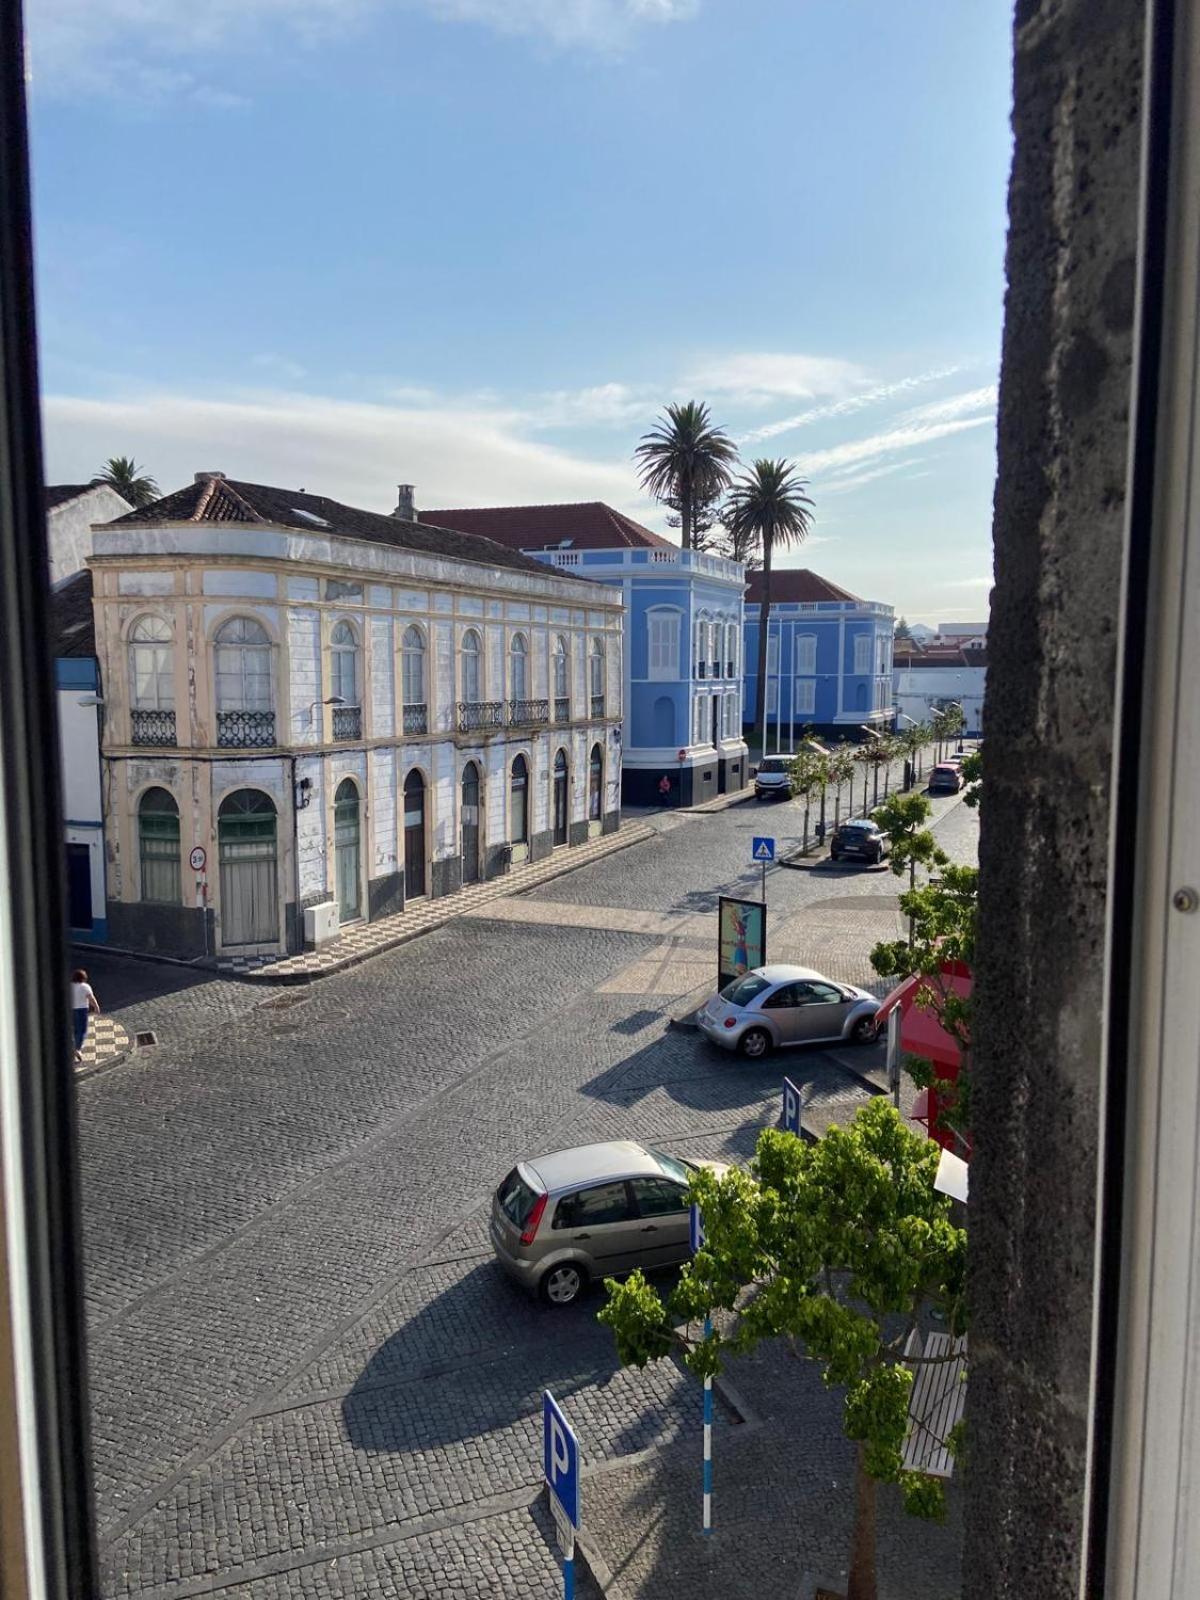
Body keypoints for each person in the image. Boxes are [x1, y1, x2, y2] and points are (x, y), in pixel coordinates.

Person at [71, 968, 100, 1064]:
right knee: (82, 1030)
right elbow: (91, 998)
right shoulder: (85, 986)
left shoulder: (70, 986)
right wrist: (96, 1007)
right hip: (82, 1010)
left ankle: (73, 1045)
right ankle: (77, 1049)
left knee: (75, 1029)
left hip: (71, 1009)